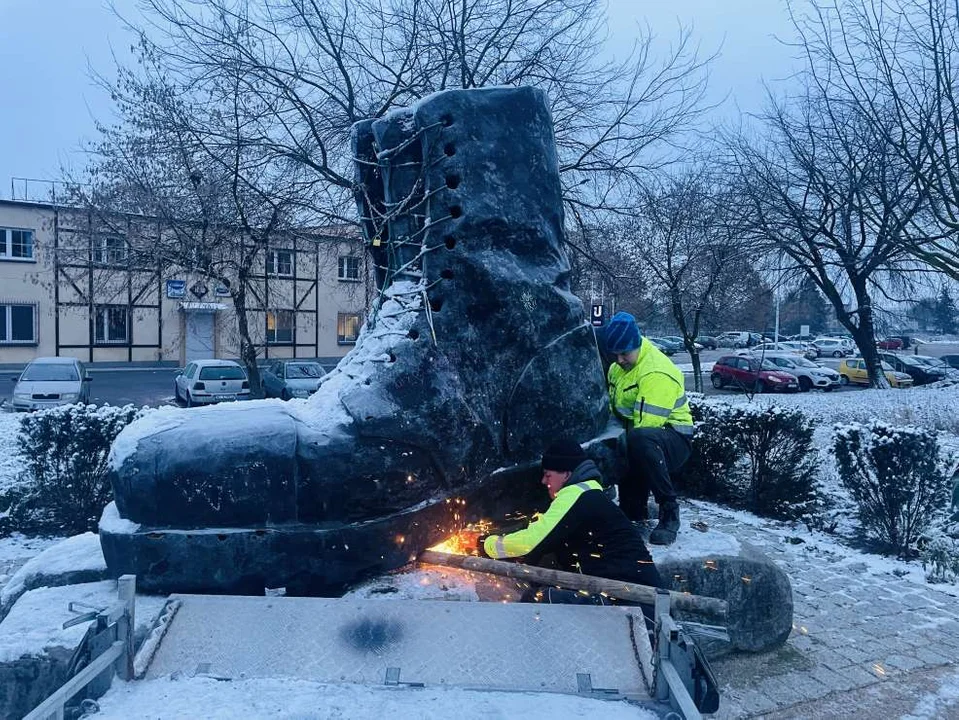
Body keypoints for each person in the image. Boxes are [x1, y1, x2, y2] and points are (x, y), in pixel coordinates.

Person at [473, 437, 664, 604]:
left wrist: (486, 545)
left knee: (538, 599)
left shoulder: (575, 494)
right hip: (634, 596)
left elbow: (531, 542)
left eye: (548, 475)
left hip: (632, 600)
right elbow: (545, 532)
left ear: (566, 474)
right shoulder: (590, 493)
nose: (543, 481)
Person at [604, 311, 693, 545]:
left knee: (636, 443)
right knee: (629, 443)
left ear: (637, 343)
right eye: (616, 354)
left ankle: (669, 513)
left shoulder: (655, 373)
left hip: (674, 439)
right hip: (640, 436)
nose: (620, 359)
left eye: (624, 353)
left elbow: (646, 427)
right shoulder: (618, 368)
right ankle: (634, 513)